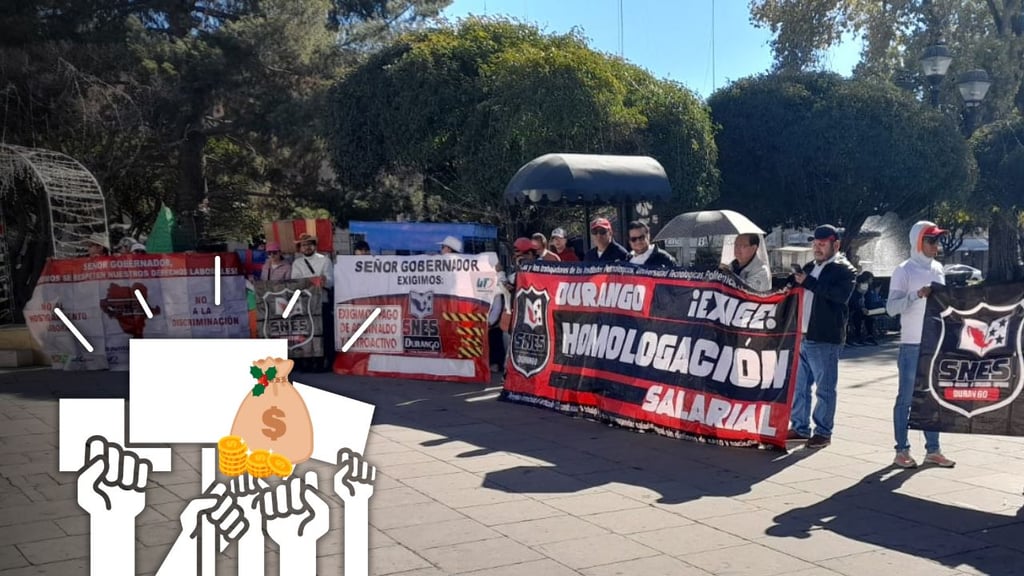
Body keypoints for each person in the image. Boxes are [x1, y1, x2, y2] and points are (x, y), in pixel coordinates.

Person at [886, 221, 956, 469]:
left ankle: (933, 450)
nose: (936, 245)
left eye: (938, 240)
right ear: (918, 241)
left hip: (934, 345)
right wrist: (916, 295)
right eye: (931, 240)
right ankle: (901, 450)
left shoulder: (938, 268)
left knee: (933, 398)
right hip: (911, 344)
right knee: (906, 398)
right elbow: (891, 308)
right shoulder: (903, 270)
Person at [789, 224, 858, 449]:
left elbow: (839, 296)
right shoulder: (811, 266)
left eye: (822, 244)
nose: (817, 248)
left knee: (825, 388)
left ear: (835, 245)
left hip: (825, 338)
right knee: (799, 387)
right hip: (803, 334)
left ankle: (823, 431)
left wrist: (807, 281)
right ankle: (799, 426)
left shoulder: (844, 269)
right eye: (815, 244)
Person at [291, 233, 335, 372]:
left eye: (309, 244)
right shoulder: (297, 263)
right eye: (304, 245)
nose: (307, 247)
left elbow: (330, 281)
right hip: (304, 304)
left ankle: (324, 362)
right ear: (300, 248)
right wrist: (312, 281)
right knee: (307, 334)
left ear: (314, 246)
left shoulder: (325, 260)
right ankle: (308, 362)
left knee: (324, 333)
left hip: (321, 301)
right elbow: (295, 282)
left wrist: (322, 281)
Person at [847, 271, 877, 346]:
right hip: (853, 310)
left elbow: (869, 300)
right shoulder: (854, 290)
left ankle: (869, 336)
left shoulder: (868, 290)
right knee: (857, 316)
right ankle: (857, 337)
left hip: (863, 309)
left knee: (869, 316)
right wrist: (861, 308)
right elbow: (853, 302)